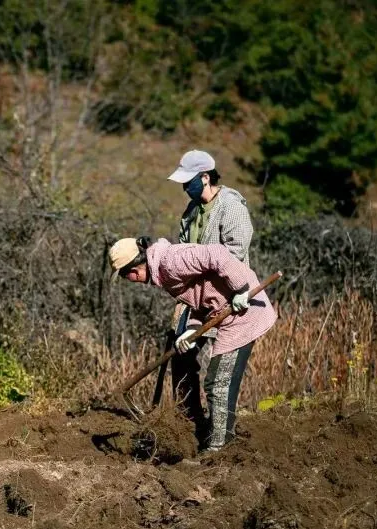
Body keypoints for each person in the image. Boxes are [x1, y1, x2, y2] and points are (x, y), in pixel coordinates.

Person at [108, 237, 276, 451]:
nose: (128, 280)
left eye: (125, 275)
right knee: (216, 382)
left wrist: (241, 289)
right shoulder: (162, 273)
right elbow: (200, 300)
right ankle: (218, 440)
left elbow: (218, 254)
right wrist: (190, 331)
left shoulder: (171, 262)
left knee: (219, 384)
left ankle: (220, 449)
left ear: (135, 269)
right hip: (227, 315)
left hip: (245, 311)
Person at [166, 150, 254, 445]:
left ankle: (220, 442)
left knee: (220, 380)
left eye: (188, 181)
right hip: (196, 301)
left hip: (230, 301)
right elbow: (181, 254)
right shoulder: (190, 213)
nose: (184, 187)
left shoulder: (231, 207)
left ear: (205, 177)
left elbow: (235, 255)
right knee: (179, 357)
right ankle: (189, 429)